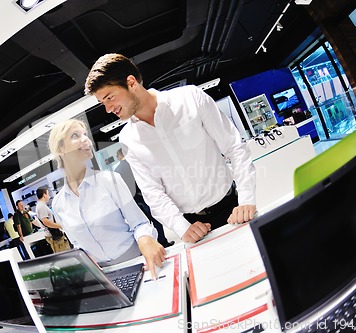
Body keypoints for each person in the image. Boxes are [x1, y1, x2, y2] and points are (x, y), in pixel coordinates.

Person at [85, 53, 257, 243]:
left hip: (232, 206)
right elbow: (152, 192)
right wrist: (181, 227)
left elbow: (234, 146)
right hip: (192, 225)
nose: (108, 109)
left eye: (110, 98)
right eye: (103, 103)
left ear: (131, 83)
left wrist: (246, 199)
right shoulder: (128, 138)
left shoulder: (190, 98)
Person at [49, 119, 165, 278]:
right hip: (102, 274)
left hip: (136, 261)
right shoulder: (58, 204)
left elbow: (139, 223)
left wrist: (145, 237)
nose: (85, 140)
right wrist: (84, 258)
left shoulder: (110, 180)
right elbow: (76, 242)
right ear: (60, 148)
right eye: (75, 135)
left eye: (85, 135)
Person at [114, 148, 173, 248]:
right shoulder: (135, 165)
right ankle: (162, 242)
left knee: (141, 226)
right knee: (156, 221)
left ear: (119, 157)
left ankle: (150, 246)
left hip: (132, 203)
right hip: (144, 198)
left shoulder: (116, 171)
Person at [35, 186, 71, 253]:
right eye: (48, 194)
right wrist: (60, 226)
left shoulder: (41, 206)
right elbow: (46, 222)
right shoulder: (41, 206)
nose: (49, 196)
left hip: (55, 235)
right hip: (55, 236)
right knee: (64, 255)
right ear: (44, 195)